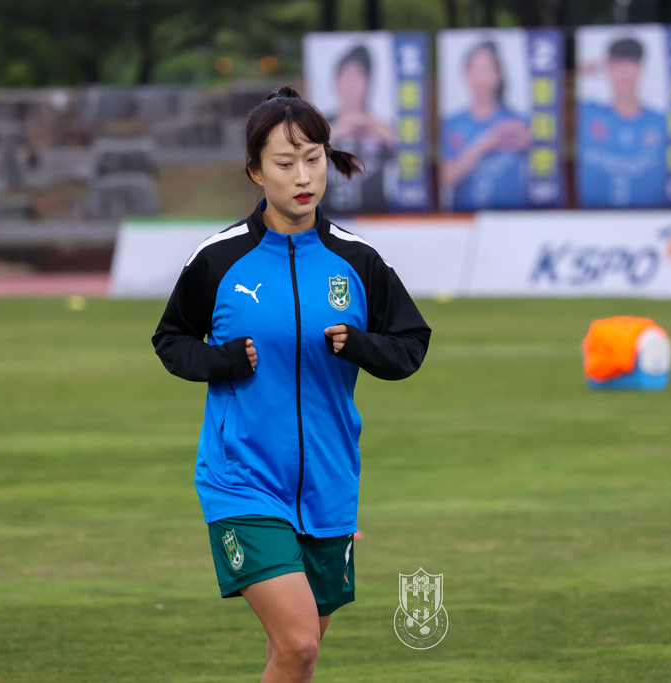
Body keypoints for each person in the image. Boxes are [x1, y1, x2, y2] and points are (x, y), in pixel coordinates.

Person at [151, 86, 431, 683]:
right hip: (243, 480)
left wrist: (359, 345)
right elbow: (171, 339)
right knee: (300, 643)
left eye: (313, 159)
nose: (303, 177)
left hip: (329, 484)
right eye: (284, 163)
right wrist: (222, 361)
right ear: (256, 171)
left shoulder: (359, 261)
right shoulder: (219, 259)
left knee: (294, 654)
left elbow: (411, 345)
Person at [440, 40, 532, 211]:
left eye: (487, 69)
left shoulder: (519, 122)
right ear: (465, 75)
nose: (481, 77)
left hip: (514, 218)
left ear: (499, 75)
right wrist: (486, 143)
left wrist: (532, 142)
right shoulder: (450, 124)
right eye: (476, 70)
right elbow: (445, 179)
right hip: (466, 218)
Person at [578, 37, 667, 207]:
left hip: (649, 216)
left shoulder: (660, 122)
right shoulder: (588, 113)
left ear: (641, 70)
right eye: (617, 65)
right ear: (607, 69)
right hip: (595, 216)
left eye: (631, 65)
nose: (625, 73)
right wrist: (581, 70)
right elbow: (549, 105)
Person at [322, 45, 397, 215]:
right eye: (344, 74)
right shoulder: (319, 125)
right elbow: (304, 152)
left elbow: (409, 153)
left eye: (357, 75)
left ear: (368, 82)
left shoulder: (381, 126)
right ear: (336, 80)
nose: (350, 82)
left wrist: (369, 124)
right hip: (329, 217)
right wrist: (339, 130)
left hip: (376, 218)